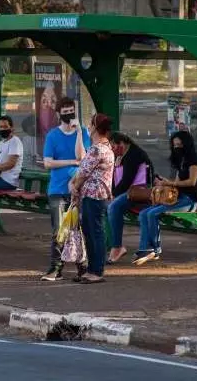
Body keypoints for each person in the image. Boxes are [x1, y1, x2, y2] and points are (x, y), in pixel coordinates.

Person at [133, 131, 197, 265]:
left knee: (152, 213)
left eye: (179, 145)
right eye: (175, 145)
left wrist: (170, 183)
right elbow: (176, 183)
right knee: (143, 213)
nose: (177, 148)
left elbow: (192, 182)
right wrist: (164, 182)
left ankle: (155, 249)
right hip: (177, 197)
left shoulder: (194, 161)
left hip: (188, 200)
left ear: (187, 144)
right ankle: (144, 248)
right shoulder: (181, 161)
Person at [40, 97, 90, 281]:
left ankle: (83, 267)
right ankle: (56, 267)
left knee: (79, 229)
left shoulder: (83, 132)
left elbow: (82, 157)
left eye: (71, 111)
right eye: (65, 111)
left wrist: (79, 133)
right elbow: (48, 162)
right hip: (57, 189)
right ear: (59, 114)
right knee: (59, 230)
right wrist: (71, 162)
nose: (69, 114)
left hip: (78, 188)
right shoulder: (53, 135)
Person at [69, 113, 115, 284]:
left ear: (95, 127)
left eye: (90, 124)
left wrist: (74, 187)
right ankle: (92, 269)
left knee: (94, 232)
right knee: (91, 231)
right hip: (96, 195)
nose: (88, 127)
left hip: (93, 195)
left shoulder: (97, 149)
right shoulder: (105, 147)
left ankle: (96, 271)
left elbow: (83, 172)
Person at [107, 132, 152, 264]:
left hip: (139, 192)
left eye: (114, 146)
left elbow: (127, 180)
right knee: (106, 206)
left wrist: (113, 195)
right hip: (129, 192)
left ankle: (117, 246)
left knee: (114, 206)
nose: (113, 149)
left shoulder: (134, 154)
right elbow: (116, 179)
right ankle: (109, 244)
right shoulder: (121, 155)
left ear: (122, 143)